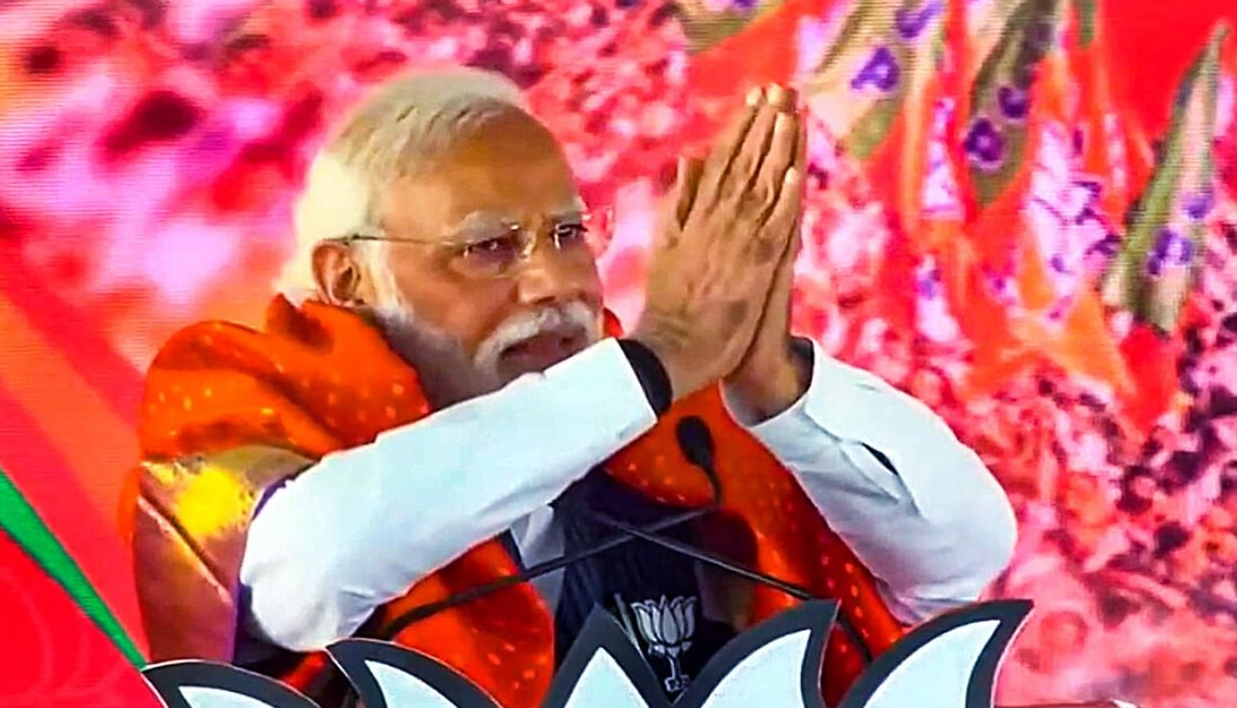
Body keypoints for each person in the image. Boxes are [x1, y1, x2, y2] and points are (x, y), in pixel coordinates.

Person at [127, 67, 1017, 707]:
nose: (553, 284)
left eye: (566, 235)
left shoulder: (681, 429)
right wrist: (652, 364)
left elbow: (953, 563)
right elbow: (296, 577)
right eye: (489, 249)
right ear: (349, 280)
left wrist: (775, 384)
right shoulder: (230, 402)